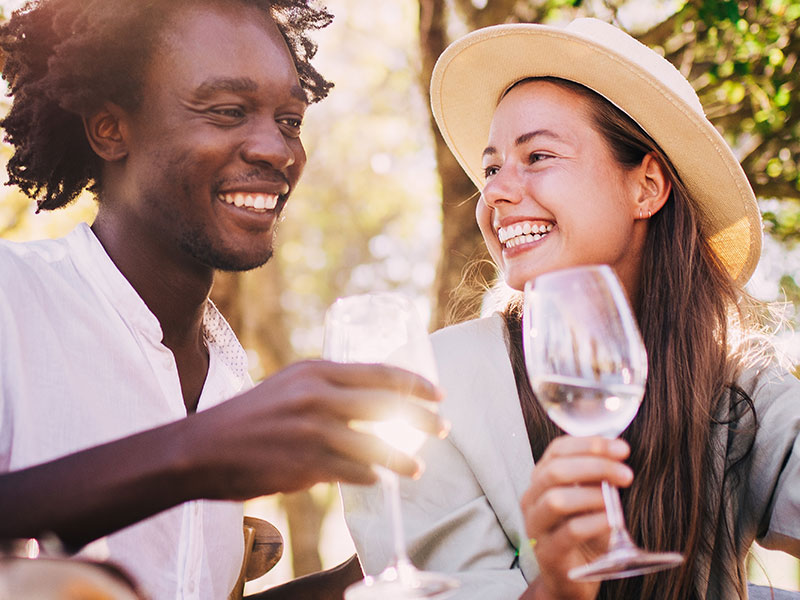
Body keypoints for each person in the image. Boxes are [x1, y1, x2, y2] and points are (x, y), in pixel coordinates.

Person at [341, 17, 800, 600]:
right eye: (490, 168)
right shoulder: (422, 389)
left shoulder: (733, 385)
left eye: (536, 156)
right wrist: (557, 587)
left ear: (647, 187)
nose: (496, 193)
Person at [0, 1, 447, 598]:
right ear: (110, 129)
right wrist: (196, 452)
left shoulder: (227, 374)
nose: (278, 150)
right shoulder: (13, 298)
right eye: (228, 111)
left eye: (289, 120)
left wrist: (367, 573)